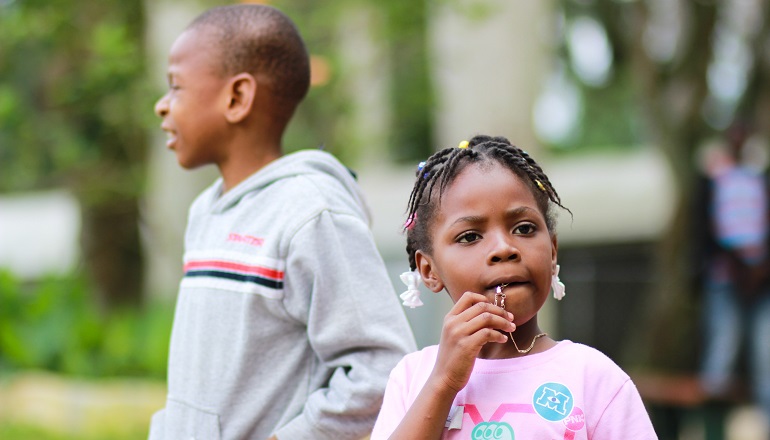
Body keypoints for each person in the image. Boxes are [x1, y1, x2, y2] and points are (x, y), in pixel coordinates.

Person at [149, 5, 416, 439]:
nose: (162, 106)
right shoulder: (204, 211)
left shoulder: (312, 213)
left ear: (237, 98)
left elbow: (381, 369)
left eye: (176, 87)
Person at [371, 135, 657, 439]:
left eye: (524, 228)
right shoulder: (413, 377)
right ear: (429, 270)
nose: (504, 248)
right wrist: (443, 382)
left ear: (552, 251)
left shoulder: (595, 380)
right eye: (470, 236)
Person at [693, 122, 770, 425]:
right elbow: (708, 228)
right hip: (725, 280)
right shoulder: (715, 179)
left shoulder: (758, 179)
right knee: (722, 350)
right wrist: (739, 265)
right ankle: (710, 426)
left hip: (761, 283)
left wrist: (759, 269)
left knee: (765, 356)